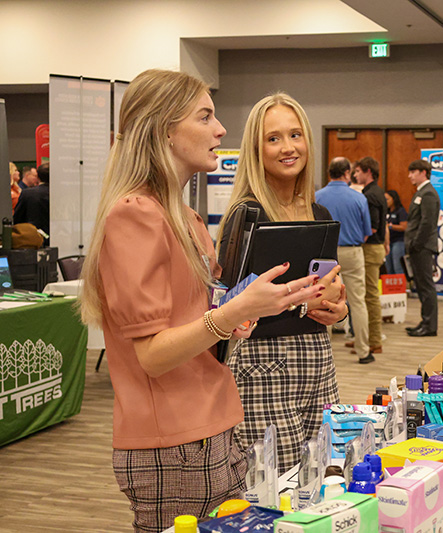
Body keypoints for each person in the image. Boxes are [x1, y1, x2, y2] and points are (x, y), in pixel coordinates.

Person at [79, 69, 324, 532]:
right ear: (165, 130)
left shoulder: (184, 218)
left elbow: (197, 322)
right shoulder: (136, 216)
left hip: (212, 427)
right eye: (205, 116)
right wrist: (233, 312)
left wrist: (248, 311)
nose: (220, 130)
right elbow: (151, 356)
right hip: (172, 440)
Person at [217, 92, 347, 474]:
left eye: (295, 135)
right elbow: (227, 306)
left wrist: (338, 308)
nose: (288, 147)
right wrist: (303, 303)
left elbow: (330, 288)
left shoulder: (319, 212)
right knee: (278, 483)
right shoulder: (247, 214)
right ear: (256, 150)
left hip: (318, 359)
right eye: (273, 139)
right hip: (263, 366)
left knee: (324, 471)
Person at [316, 157, 374, 364]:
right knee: (358, 301)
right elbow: (367, 232)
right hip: (353, 252)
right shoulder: (358, 198)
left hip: (325, 254)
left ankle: (325, 351)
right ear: (347, 173)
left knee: (325, 300)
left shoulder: (316, 197)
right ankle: (363, 351)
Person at [353, 156, 387, 353]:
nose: (356, 175)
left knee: (370, 295)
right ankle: (364, 337)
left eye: (358, 171)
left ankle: (373, 340)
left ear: (367, 171)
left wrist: (355, 237)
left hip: (371, 248)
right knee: (365, 295)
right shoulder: (374, 191)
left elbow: (372, 228)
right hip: (374, 247)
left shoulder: (371, 195)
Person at [404, 159, 440, 337]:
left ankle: (430, 326)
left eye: (413, 172)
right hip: (418, 247)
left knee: (426, 286)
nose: (410, 175)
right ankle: (425, 321)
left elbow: (427, 223)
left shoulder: (428, 194)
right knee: (421, 285)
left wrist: (416, 244)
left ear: (423, 173)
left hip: (423, 247)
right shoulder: (421, 192)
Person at [14, 162, 50, 244]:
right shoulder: (62, 194)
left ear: (38, 177)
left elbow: (17, 218)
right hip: (61, 239)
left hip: (33, 240)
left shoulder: (28, 194)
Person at [384, 190, 407, 276]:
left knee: (398, 266)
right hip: (388, 242)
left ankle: (401, 288)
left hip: (398, 242)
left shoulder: (400, 211)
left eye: (387, 199)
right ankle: (392, 288)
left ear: (393, 199)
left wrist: (390, 226)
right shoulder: (386, 211)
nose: (385, 202)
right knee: (389, 267)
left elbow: (404, 227)